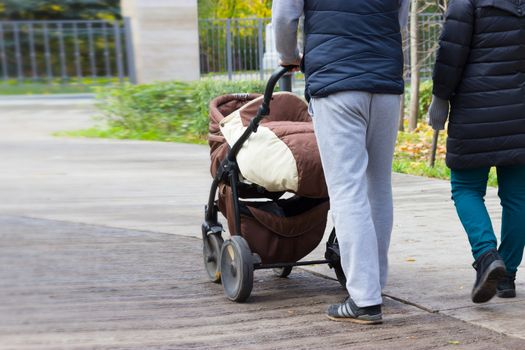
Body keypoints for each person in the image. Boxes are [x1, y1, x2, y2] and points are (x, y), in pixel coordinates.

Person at [272, 0, 409, 324]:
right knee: (378, 184)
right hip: (385, 81)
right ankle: (374, 285)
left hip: (337, 81)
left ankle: (364, 298)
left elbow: (284, 16)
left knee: (347, 188)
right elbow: (399, 19)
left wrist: (289, 57)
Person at [429, 0, 525, 303]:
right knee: (518, 196)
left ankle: (486, 255)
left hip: (474, 109)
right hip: (520, 111)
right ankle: (506, 275)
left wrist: (440, 97)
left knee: (466, 189)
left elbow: (451, 53)